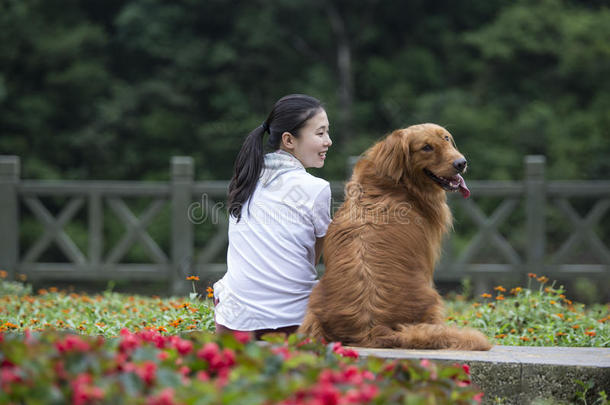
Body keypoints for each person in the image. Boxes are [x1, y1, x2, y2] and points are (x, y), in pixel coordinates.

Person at [213, 94, 333, 340]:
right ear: (289, 140)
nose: (328, 141)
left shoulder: (245, 179)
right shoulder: (316, 188)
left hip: (233, 324)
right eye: (320, 133)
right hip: (292, 325)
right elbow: (316, 259)